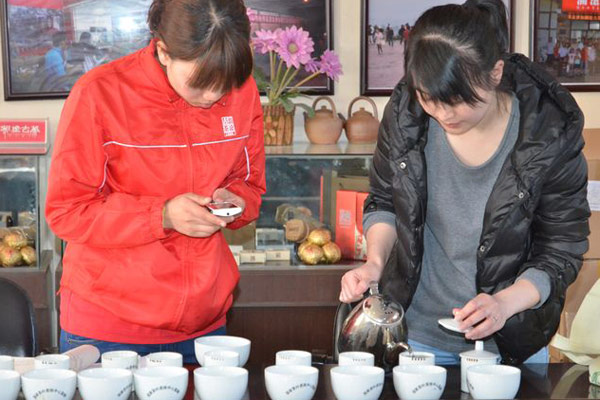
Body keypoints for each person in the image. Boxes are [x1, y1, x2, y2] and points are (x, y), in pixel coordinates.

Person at [339, 0, 589, 366]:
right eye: (428, 98)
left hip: (510, 342)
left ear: (495, 73)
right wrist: (374, 264)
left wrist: (504, 303)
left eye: (457, 101)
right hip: (415, 335)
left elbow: (561, 248)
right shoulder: (406, 114)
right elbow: (385, 201)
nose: (443, 114)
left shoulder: (549, 133)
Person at [46, 0, 265, 363]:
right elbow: (67, 211)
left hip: (204, 323)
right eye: (200, 83)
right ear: (163, 51)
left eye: (224, 84)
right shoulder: (99, 93)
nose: (213, 97)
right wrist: (162, 215)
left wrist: (235, 201)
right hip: (108, 325)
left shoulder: (243, 91)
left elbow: (250, 183)